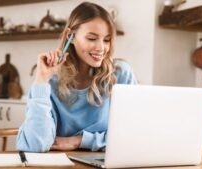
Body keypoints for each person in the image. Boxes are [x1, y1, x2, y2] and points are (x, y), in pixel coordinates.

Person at [17, 1, 137, 152]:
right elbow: (35, 145)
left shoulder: (120, 74)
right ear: (71, 36)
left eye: (106, 40)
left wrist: (79, 141)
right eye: (92, 38)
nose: (101, 48)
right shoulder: (51, 79)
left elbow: (133, 136)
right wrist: (41, 80)